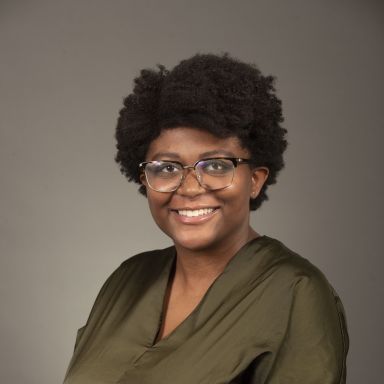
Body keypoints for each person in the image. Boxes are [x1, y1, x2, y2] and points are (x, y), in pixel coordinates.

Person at [63, 53, 348, 384]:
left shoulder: (296, 292)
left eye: (215, 165)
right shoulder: (128, 279)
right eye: (168, 168)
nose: (189, 187)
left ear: (254, 180)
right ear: (145, 180)